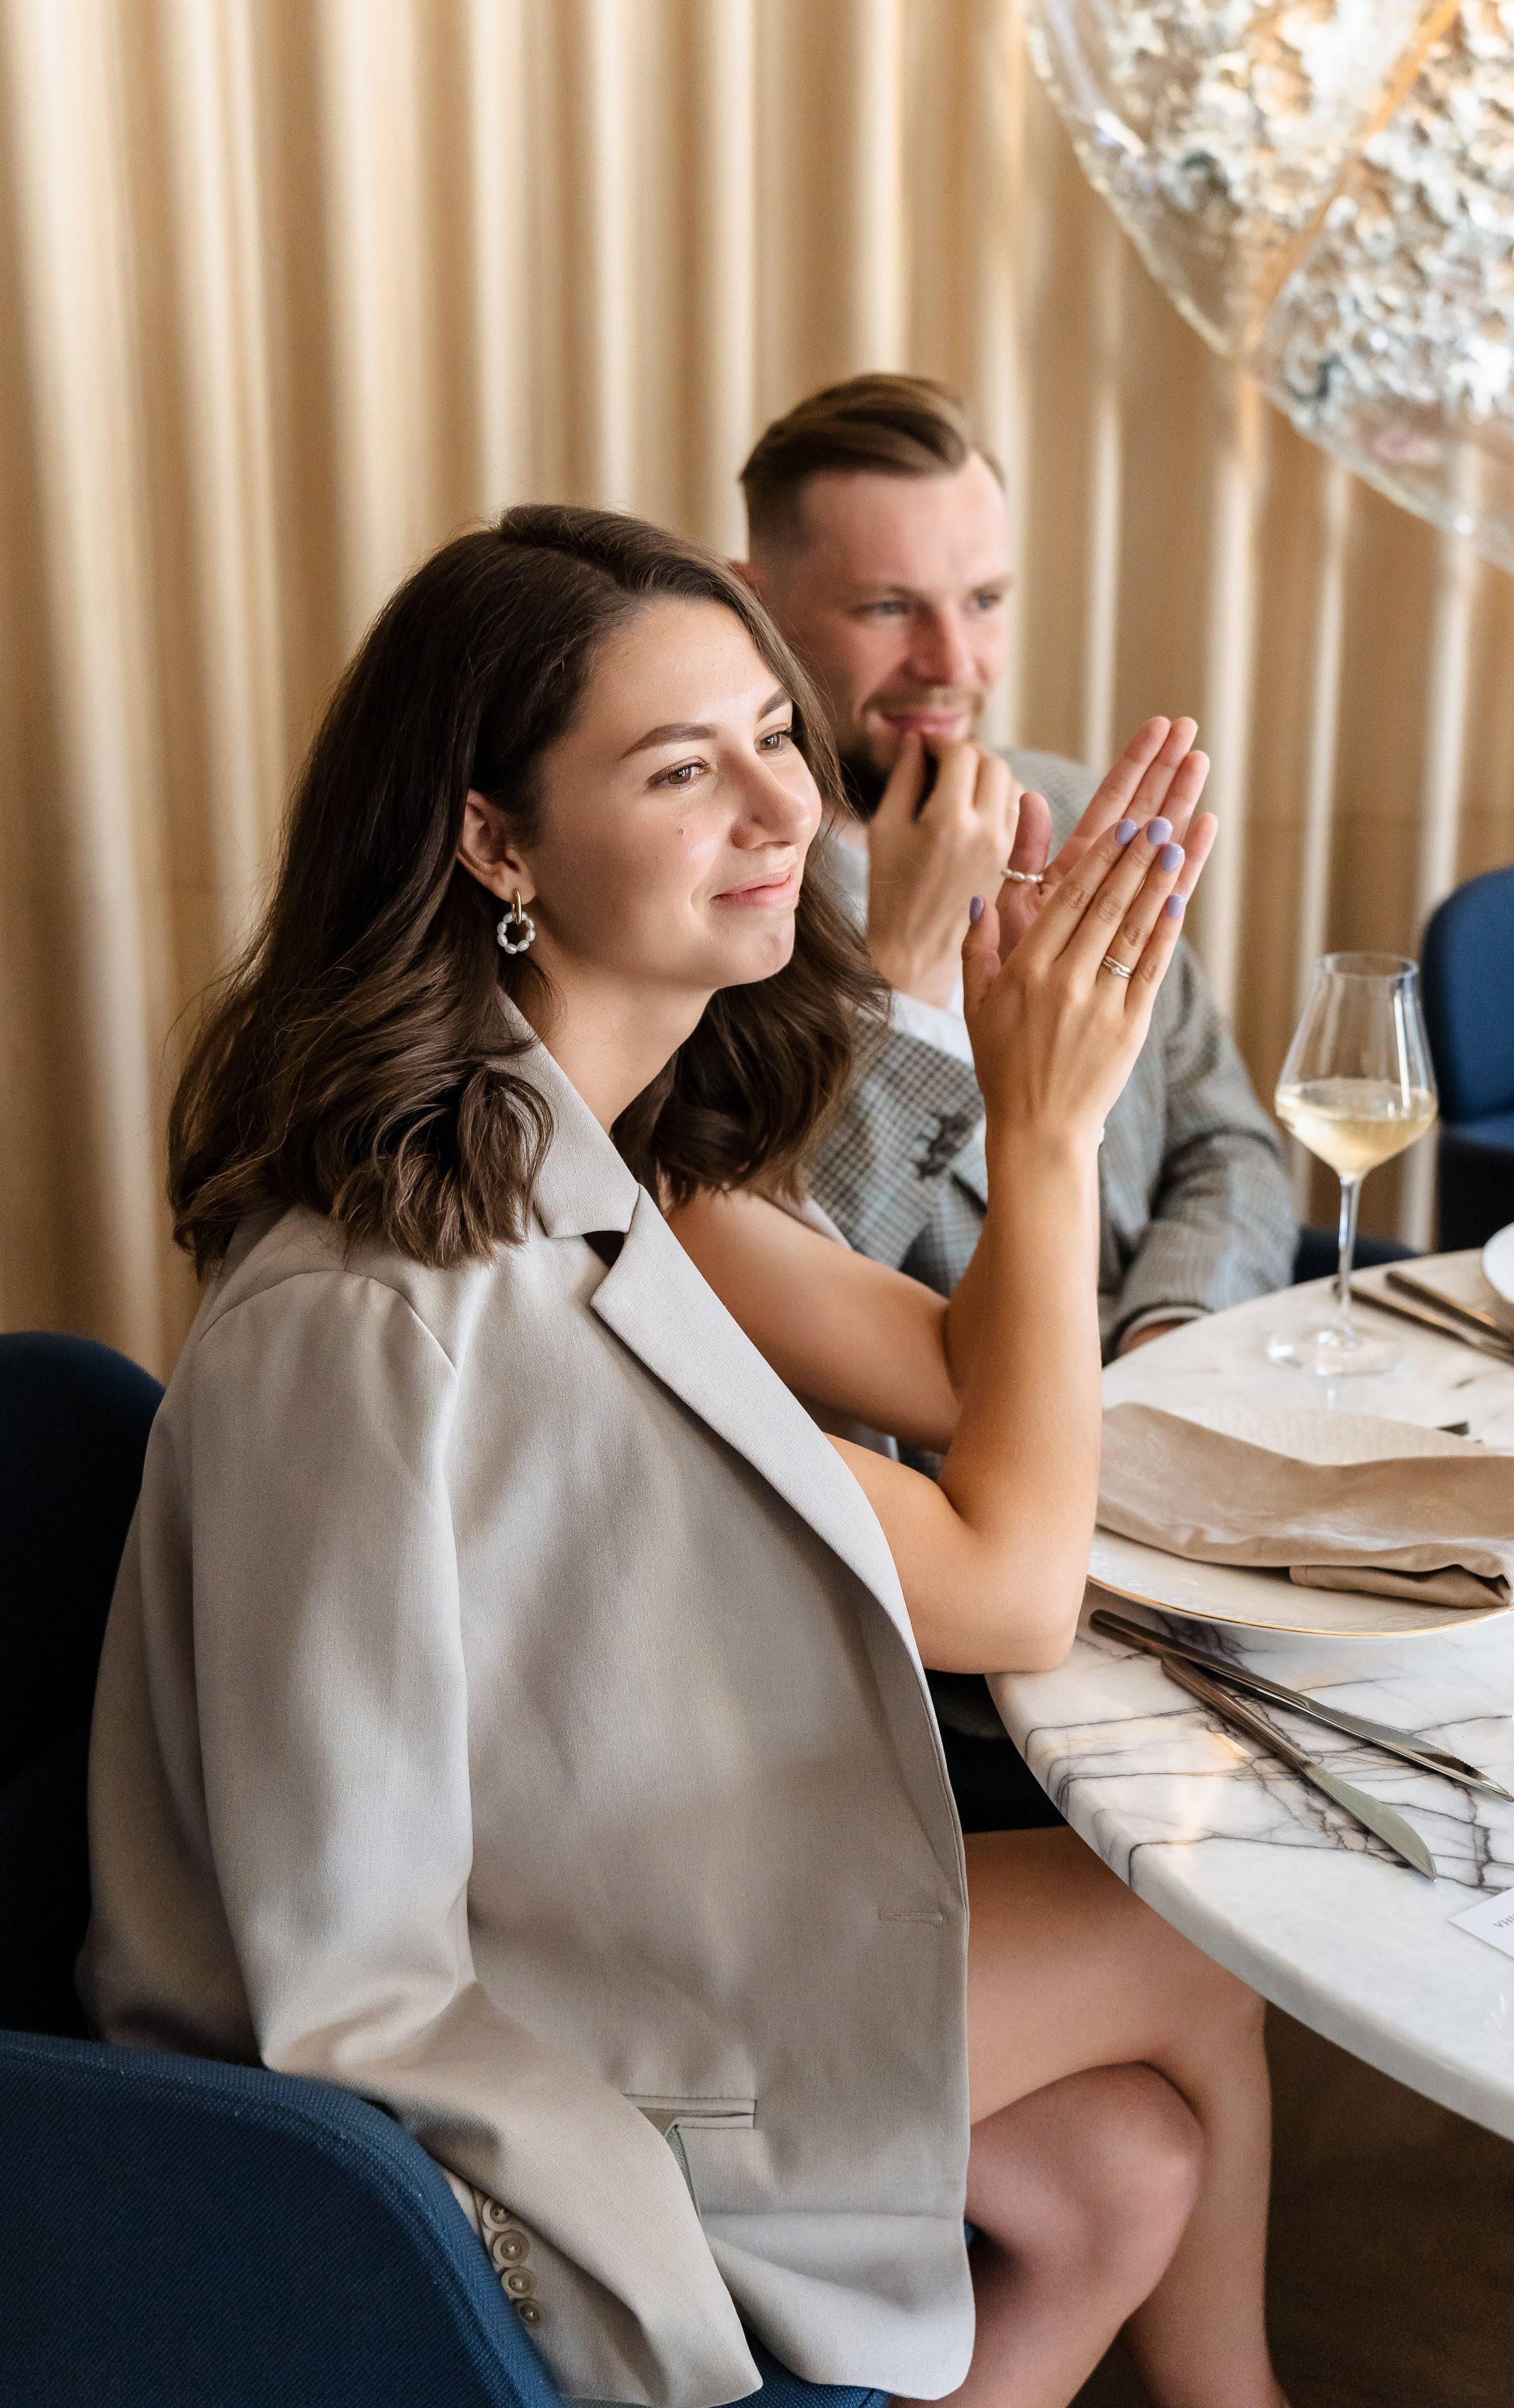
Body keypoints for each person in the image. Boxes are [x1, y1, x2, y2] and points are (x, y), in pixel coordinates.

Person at [82, 505, 1284, 2408]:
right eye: (679, 766)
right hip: (522, 2030)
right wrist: (1041, 1144)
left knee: (1125, 2168)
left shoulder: (610, 1149)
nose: (781, 808)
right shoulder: (386, 1303)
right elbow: (1012, 1584)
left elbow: (976, 1384)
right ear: (495, 839)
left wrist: (1049, 1084)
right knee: (1198, 1958)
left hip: (621, 1910)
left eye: (777, 740)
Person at [736, 373, 1297, 1360]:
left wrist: (1166, 1334)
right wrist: (904, 985)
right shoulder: (723, 895)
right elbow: (763, 1327)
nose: (952, 661)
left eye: (984, 600)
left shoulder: (1077, 809)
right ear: (756, 606)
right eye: (888, 607)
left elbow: (1228, 1147)